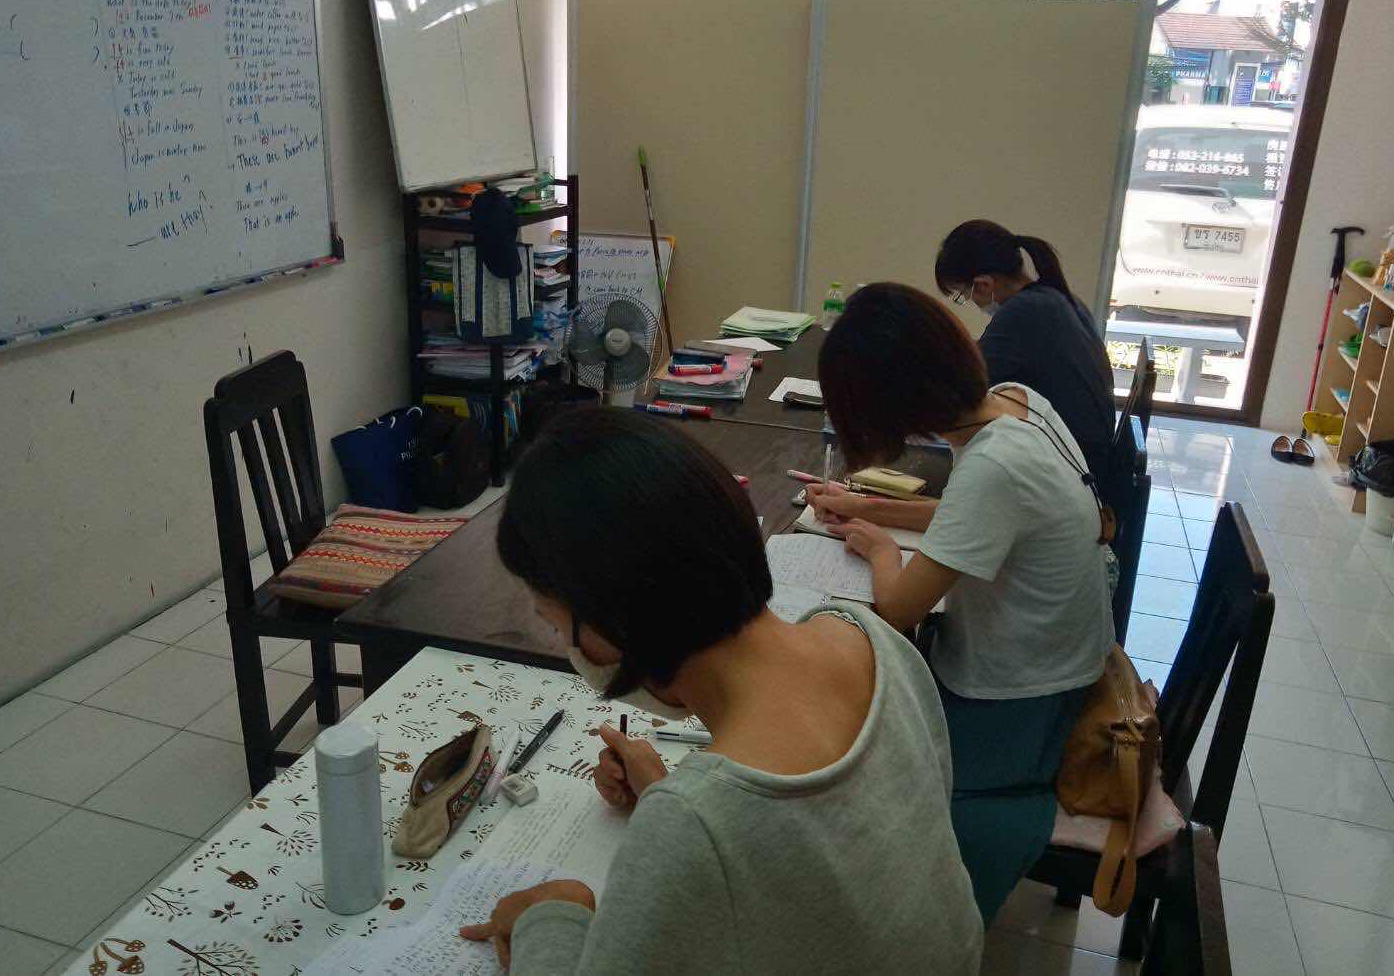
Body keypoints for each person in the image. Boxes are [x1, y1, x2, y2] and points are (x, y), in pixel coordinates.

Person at [459, 407, 983, 974]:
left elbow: (732, 825)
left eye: (556, 624)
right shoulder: (871, 637)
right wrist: (678, 797)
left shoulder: (690, 823)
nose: (568, 646)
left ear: (612, 616)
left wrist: (555, 913)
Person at [809, 283, 1113, 923]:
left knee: (861, 746)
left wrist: (881, 549)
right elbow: (969, 516)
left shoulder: (993, 466)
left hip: (1027, 699)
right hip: (1065, 659)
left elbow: (898, 611)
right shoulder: (1017, 402)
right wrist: (868, 505)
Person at [935, 219, 1116, 497]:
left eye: (962, 295)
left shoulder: (1023, 312)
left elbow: (965, 388)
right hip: (1091, 461)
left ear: (982, 284)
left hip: (1070, 472)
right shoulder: (1057, 298)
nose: (968, 302)